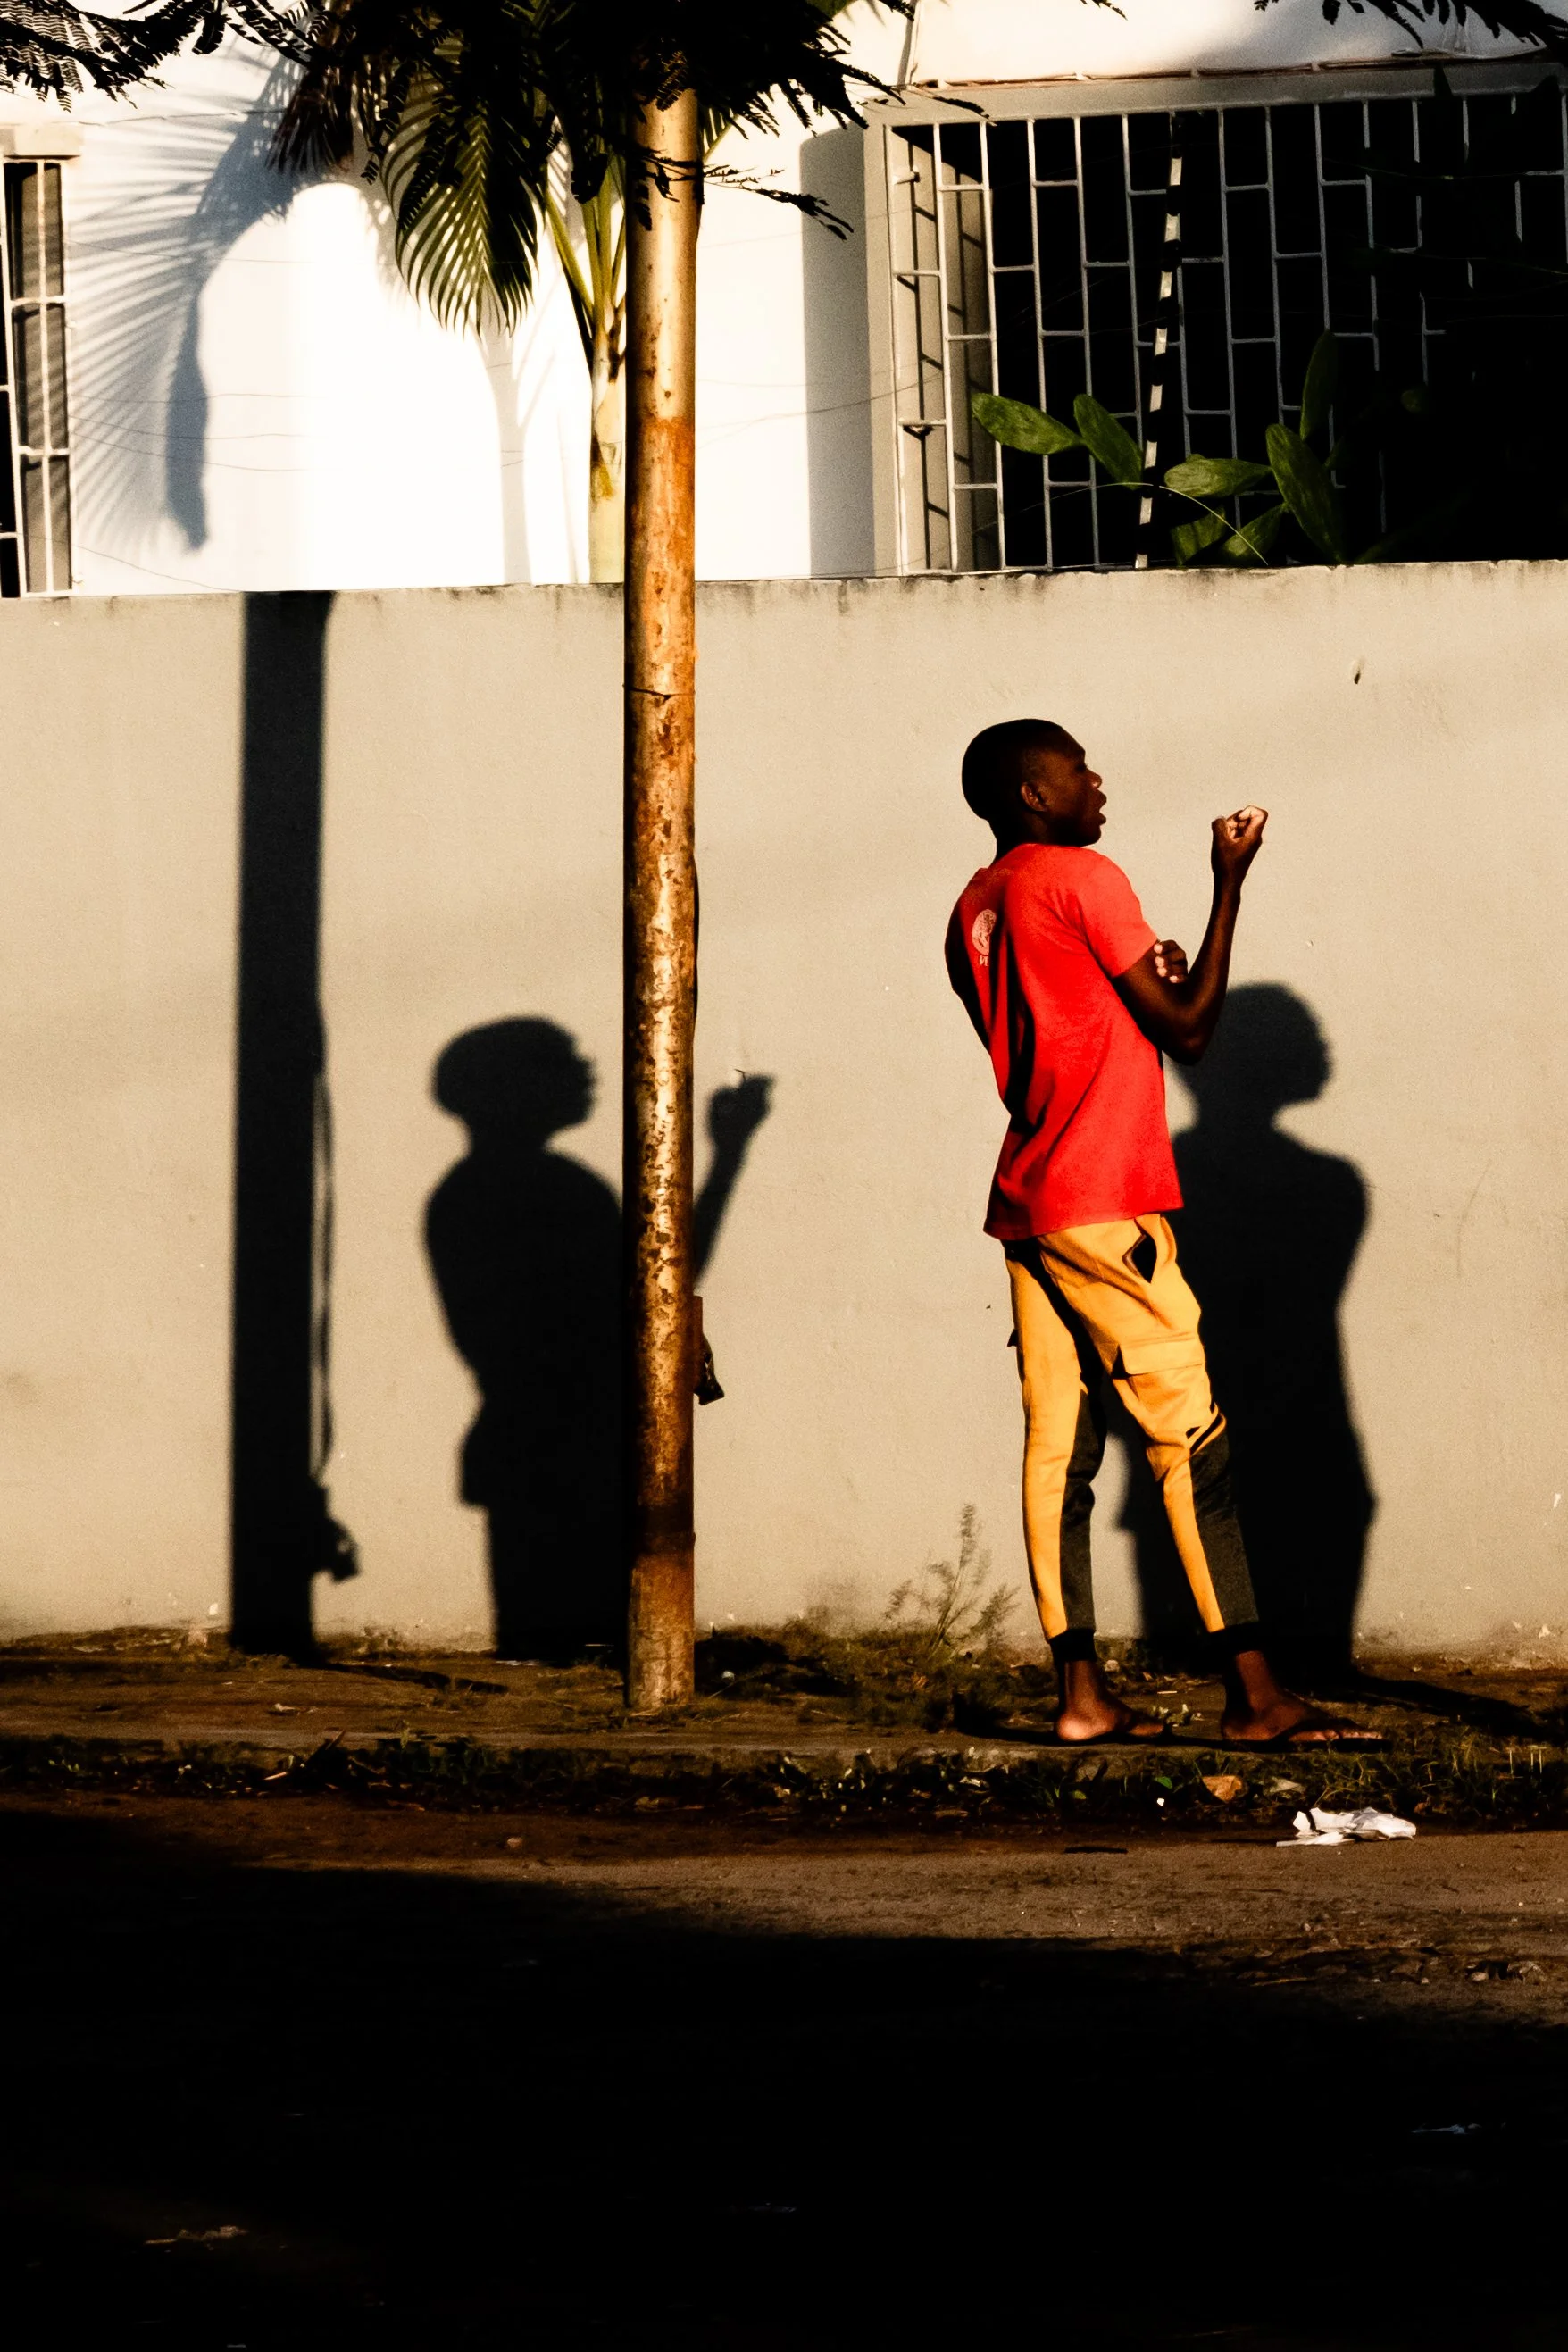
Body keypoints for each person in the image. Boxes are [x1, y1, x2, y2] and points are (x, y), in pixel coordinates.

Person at [946, 719, 1379, 1747]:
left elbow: (1065, 1026)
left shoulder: (975, 906)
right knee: (1192, 1441)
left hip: (1030, 1197)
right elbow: (1187, 1026)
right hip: (1104, 1203)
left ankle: (1080, 1699)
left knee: (1059, 1449)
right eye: (1076, 771)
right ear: (1031, 795)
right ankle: (1255, 1697)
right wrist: (1227, 885)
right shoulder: (1084, 878)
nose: (1098, 784)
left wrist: (1136, 979)